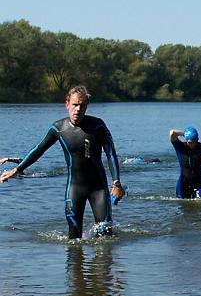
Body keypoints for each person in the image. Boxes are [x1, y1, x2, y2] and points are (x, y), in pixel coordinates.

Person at [0, 86, 124, 238]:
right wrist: (17, 170)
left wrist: (116, 183)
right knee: (73, 237)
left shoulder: (97, 126)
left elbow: (111, 153)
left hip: (98, 188)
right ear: (67, 104)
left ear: (86, 106)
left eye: (82, 105)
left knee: (106, 233)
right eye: (74, 104)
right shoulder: (58, 128)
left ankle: (102, 261)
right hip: (75, 188)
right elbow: (38, 149)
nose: (78, 109)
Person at [169, 126, 201, 199]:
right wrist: (184, 134)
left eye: (193, 142)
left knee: (200, 202)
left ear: (197, 140)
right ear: (186, 140)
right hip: (183, 183)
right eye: (189, 142)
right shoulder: (180, 147)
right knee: (183, 205)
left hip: (199, 182)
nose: (191, 144)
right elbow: (172, 133)